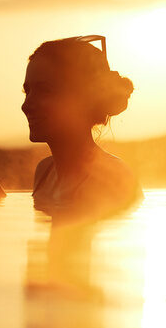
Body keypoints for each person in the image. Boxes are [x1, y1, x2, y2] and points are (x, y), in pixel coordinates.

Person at [21, 35, 141, 219]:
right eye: (27, 91)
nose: (26, 105)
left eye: (45, 90)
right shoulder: (45, 173)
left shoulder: (111, 180)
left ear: (82, 100)